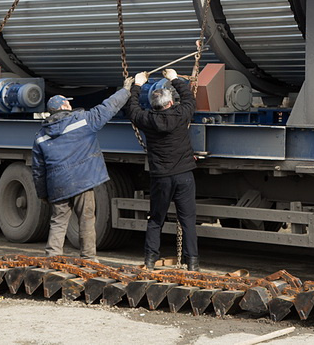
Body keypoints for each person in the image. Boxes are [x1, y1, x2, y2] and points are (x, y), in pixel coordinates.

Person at [31, 78, 132, 260]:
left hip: (58, 185)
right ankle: (88, 259)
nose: (70, 105)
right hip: (82, 182)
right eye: (68, 102)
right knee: (86, 219)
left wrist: (43, 194)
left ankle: (52, 259)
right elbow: (108, 107)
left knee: (58, 222)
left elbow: (38, 170)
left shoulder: (41, 136)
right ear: (63, 107)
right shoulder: (82, 122)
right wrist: (126, 90)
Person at [123, 68, 199, 271]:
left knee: (156, 219)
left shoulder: (147, 120)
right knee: (188, 221)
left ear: (154, 106)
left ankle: (150, 260)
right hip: (184, 175)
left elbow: (132, 109)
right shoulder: (181, 114)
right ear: (171, 102)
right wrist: (175, 79)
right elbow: (189, 99)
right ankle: (192, 263)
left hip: (161, 178)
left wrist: (137, 85)